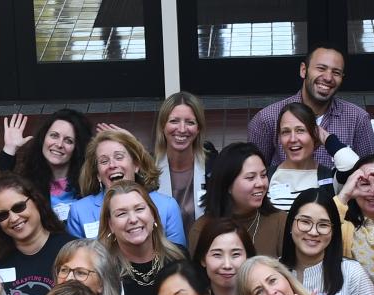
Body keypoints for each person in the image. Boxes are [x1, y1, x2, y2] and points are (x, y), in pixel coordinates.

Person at [247, 44, 373, 170]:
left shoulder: (358, 119)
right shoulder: (268, 118)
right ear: (303, 70)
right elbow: (253, 173)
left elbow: (368, 173)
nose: (328, 78)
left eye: (336, 72)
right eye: (321, 68)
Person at [0, 174, 76, 295]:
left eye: (19, 207)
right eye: (3, 215)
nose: (13, 218)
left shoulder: (73, 250)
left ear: (36, 201)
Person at [65, 129, 188, 246]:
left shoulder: (167, 206)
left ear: (136, 165)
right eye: (104, 161)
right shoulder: (79, 211)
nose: (112, 165)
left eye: (119, 157)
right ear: (97, 174)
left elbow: (178, 260)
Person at [98, 180, 188, 295]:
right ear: (111, 224)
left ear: (153, 214)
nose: (133, 219)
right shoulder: (105, 270)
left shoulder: (179, 258)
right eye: (121, 213)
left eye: (139, 209)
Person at [282, 188, 374, 295]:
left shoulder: (352, 273)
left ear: (333, 231)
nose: (313, 232)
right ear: (290, 224)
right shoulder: (275, 272)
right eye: (305, 222)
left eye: (323, 225)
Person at [193, 142, 287, 259]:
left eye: (263, 175)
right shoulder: (202, 228)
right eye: (250, 177)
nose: (261, 183)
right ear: (227, 184)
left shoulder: (280, 221)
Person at [0, 109, 95, 212]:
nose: (59, 144)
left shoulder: (90, 182)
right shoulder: (27, 182)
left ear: (77, 148)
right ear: (43, 138)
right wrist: (9, 149)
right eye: (54, 135)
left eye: (68, 141)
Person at [155, 92, 214, 225]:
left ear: (198, 128)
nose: (182, 129)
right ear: (162, 126)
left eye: (190, 122)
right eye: (174, 121)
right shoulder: (149, 170)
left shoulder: (213, 167)